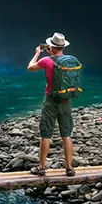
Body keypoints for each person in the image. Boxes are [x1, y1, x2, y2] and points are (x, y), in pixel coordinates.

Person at [27, 32, 76, 177]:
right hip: (66, 100)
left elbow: (30, 67)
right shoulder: (71, 61)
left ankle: (41, 167)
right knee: (66, 135)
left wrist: (37, 53)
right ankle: (69, 168)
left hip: (51, 101)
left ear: (51, 48)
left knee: (46, 134)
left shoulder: (47, 60)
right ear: (63, 47)